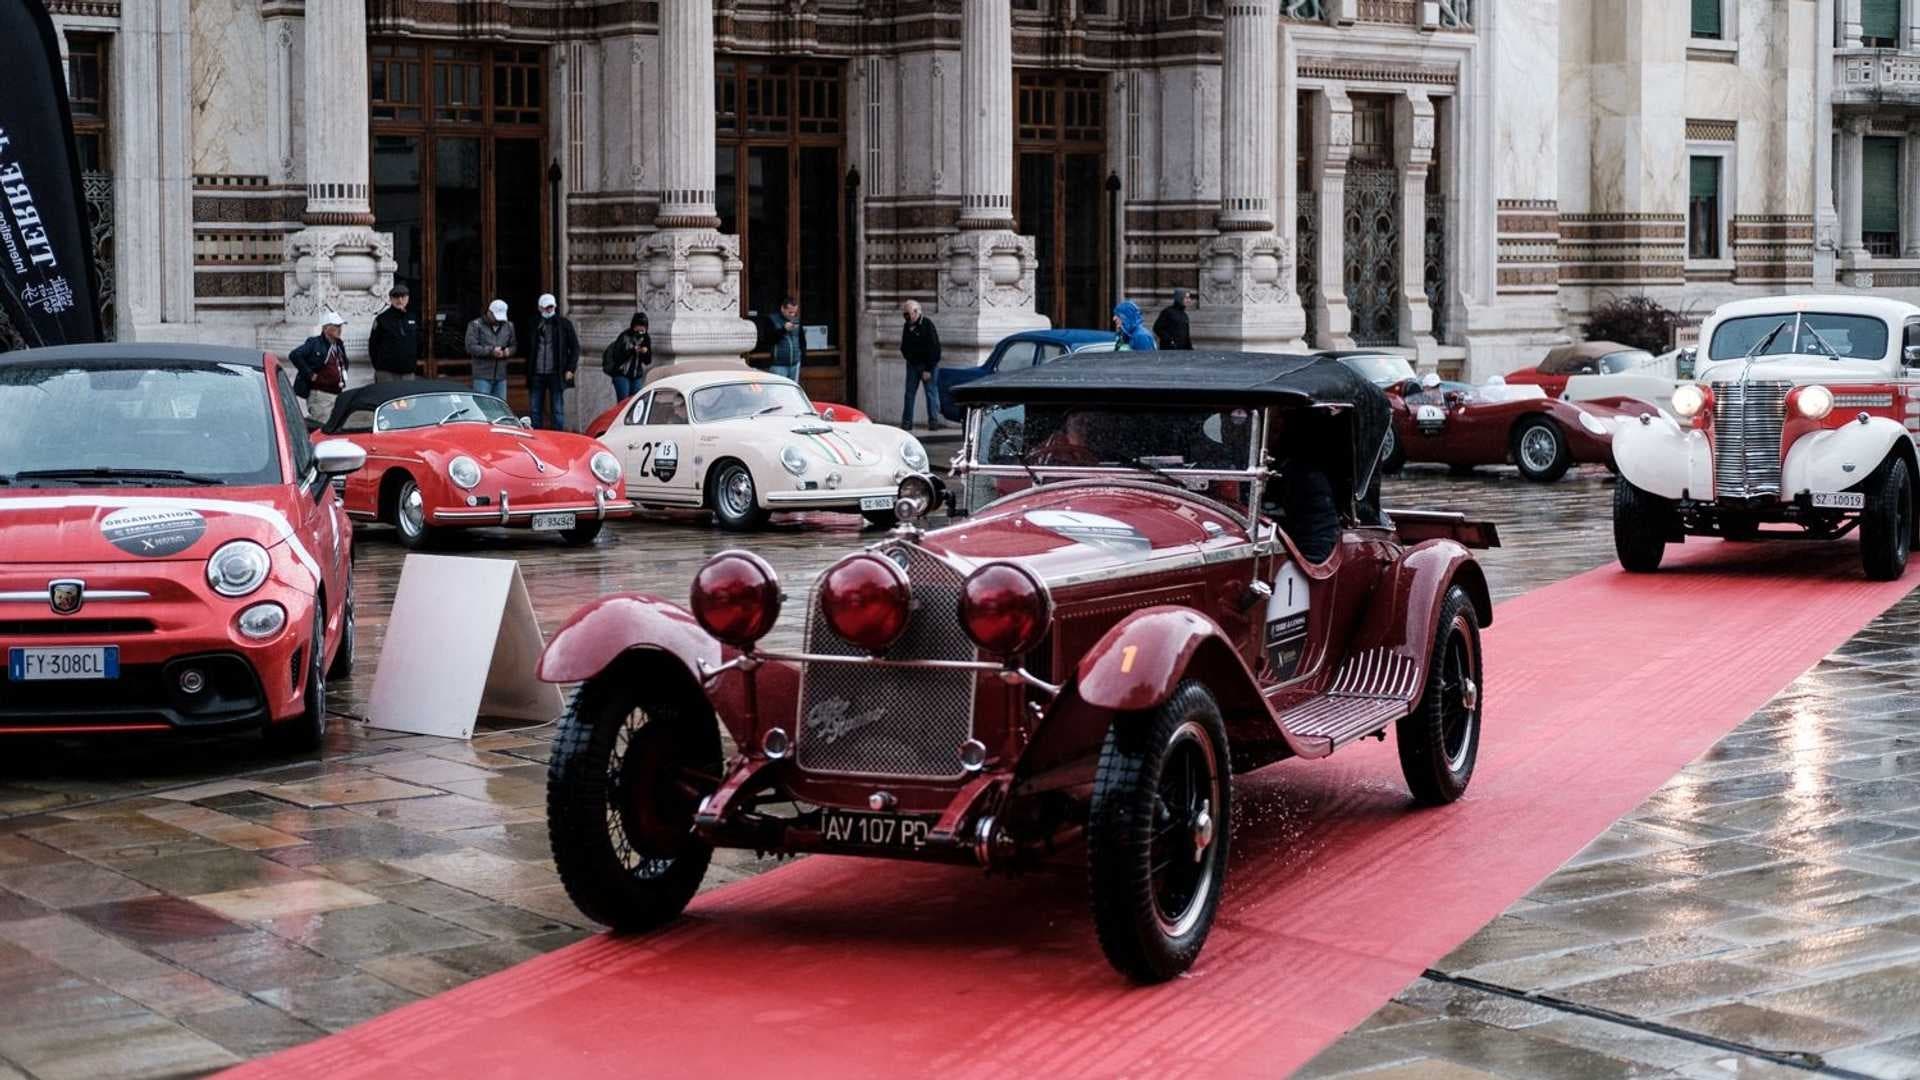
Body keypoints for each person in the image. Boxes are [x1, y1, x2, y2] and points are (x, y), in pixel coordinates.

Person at [528, 292, 580, 430]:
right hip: (537, 372)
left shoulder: (564, 324)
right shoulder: (533, 323)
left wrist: (570, 368)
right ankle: (536, 435)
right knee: (534, 409)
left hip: (556, 373)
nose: (549, 310)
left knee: (557, 409)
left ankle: (558, 435)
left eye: (551, 307)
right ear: (540, 308)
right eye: (546, 307)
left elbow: (575, 348)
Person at [289, 312, 349, 421]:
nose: (339, 329)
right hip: (321, 396)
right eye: (336, 326)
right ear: (326, 328)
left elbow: (344, 363)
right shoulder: (315, 343)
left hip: (336, 394)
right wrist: (310, 374)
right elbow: (295, 355)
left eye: (340, 326)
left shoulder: (339, 345)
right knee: (322, 427)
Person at [899, 299, 942, 431]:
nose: (906, 317)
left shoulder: (927, 324)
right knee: (909, 394)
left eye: (908, 314)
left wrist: (928, 369)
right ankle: (907, 422)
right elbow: (904, 346)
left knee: (931, 393)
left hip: (928, 365)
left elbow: (935, 349)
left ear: (916, 312)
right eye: (904, 314)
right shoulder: (907, 326)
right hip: (913, 364)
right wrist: (911, 359)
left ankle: (933, 421)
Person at [367, 284, 420, 383]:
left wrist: (413, 363)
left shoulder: (412, 317)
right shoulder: (382, 319)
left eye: (403, 297)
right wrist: (379, 366)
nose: (400, 300)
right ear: (391, 299)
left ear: (407, 298)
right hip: (387, 373)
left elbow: (418, 342)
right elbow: (373, 345)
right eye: (396, 297)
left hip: (408, 372)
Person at [465, 299, 515, 400]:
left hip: (501, 375)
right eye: (496, 317)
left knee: (501, 407)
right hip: (482, 375)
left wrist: (508, 352)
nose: (498, 320)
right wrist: (491, 351)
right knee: (483, 407)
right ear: (489, 313)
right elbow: (470, 347)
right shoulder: (475, 325)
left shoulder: (509, 325)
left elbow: (514, 345)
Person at [602, 312, 652, 402]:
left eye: (643, 326)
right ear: (633, 325)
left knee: (636, 402)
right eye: (639, 325)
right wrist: (632, 350)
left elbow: (648, 361)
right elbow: (618, 357)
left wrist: (645, 352)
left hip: (636, 375)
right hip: (621, 374)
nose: (641, 329)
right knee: (624, 402)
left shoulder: (646, 338)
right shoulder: (625, 336)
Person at [768, 295, 804, 381]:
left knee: (792, 391)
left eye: (794, 312)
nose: (792, 315)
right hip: (778, 365)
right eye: (790, 312)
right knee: (779, 391)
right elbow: (769, 339)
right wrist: (784, 329)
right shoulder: (772, 320)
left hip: (795, 364)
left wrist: (801, 357)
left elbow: (802, 340)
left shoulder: (797, 320)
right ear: (782, 309)